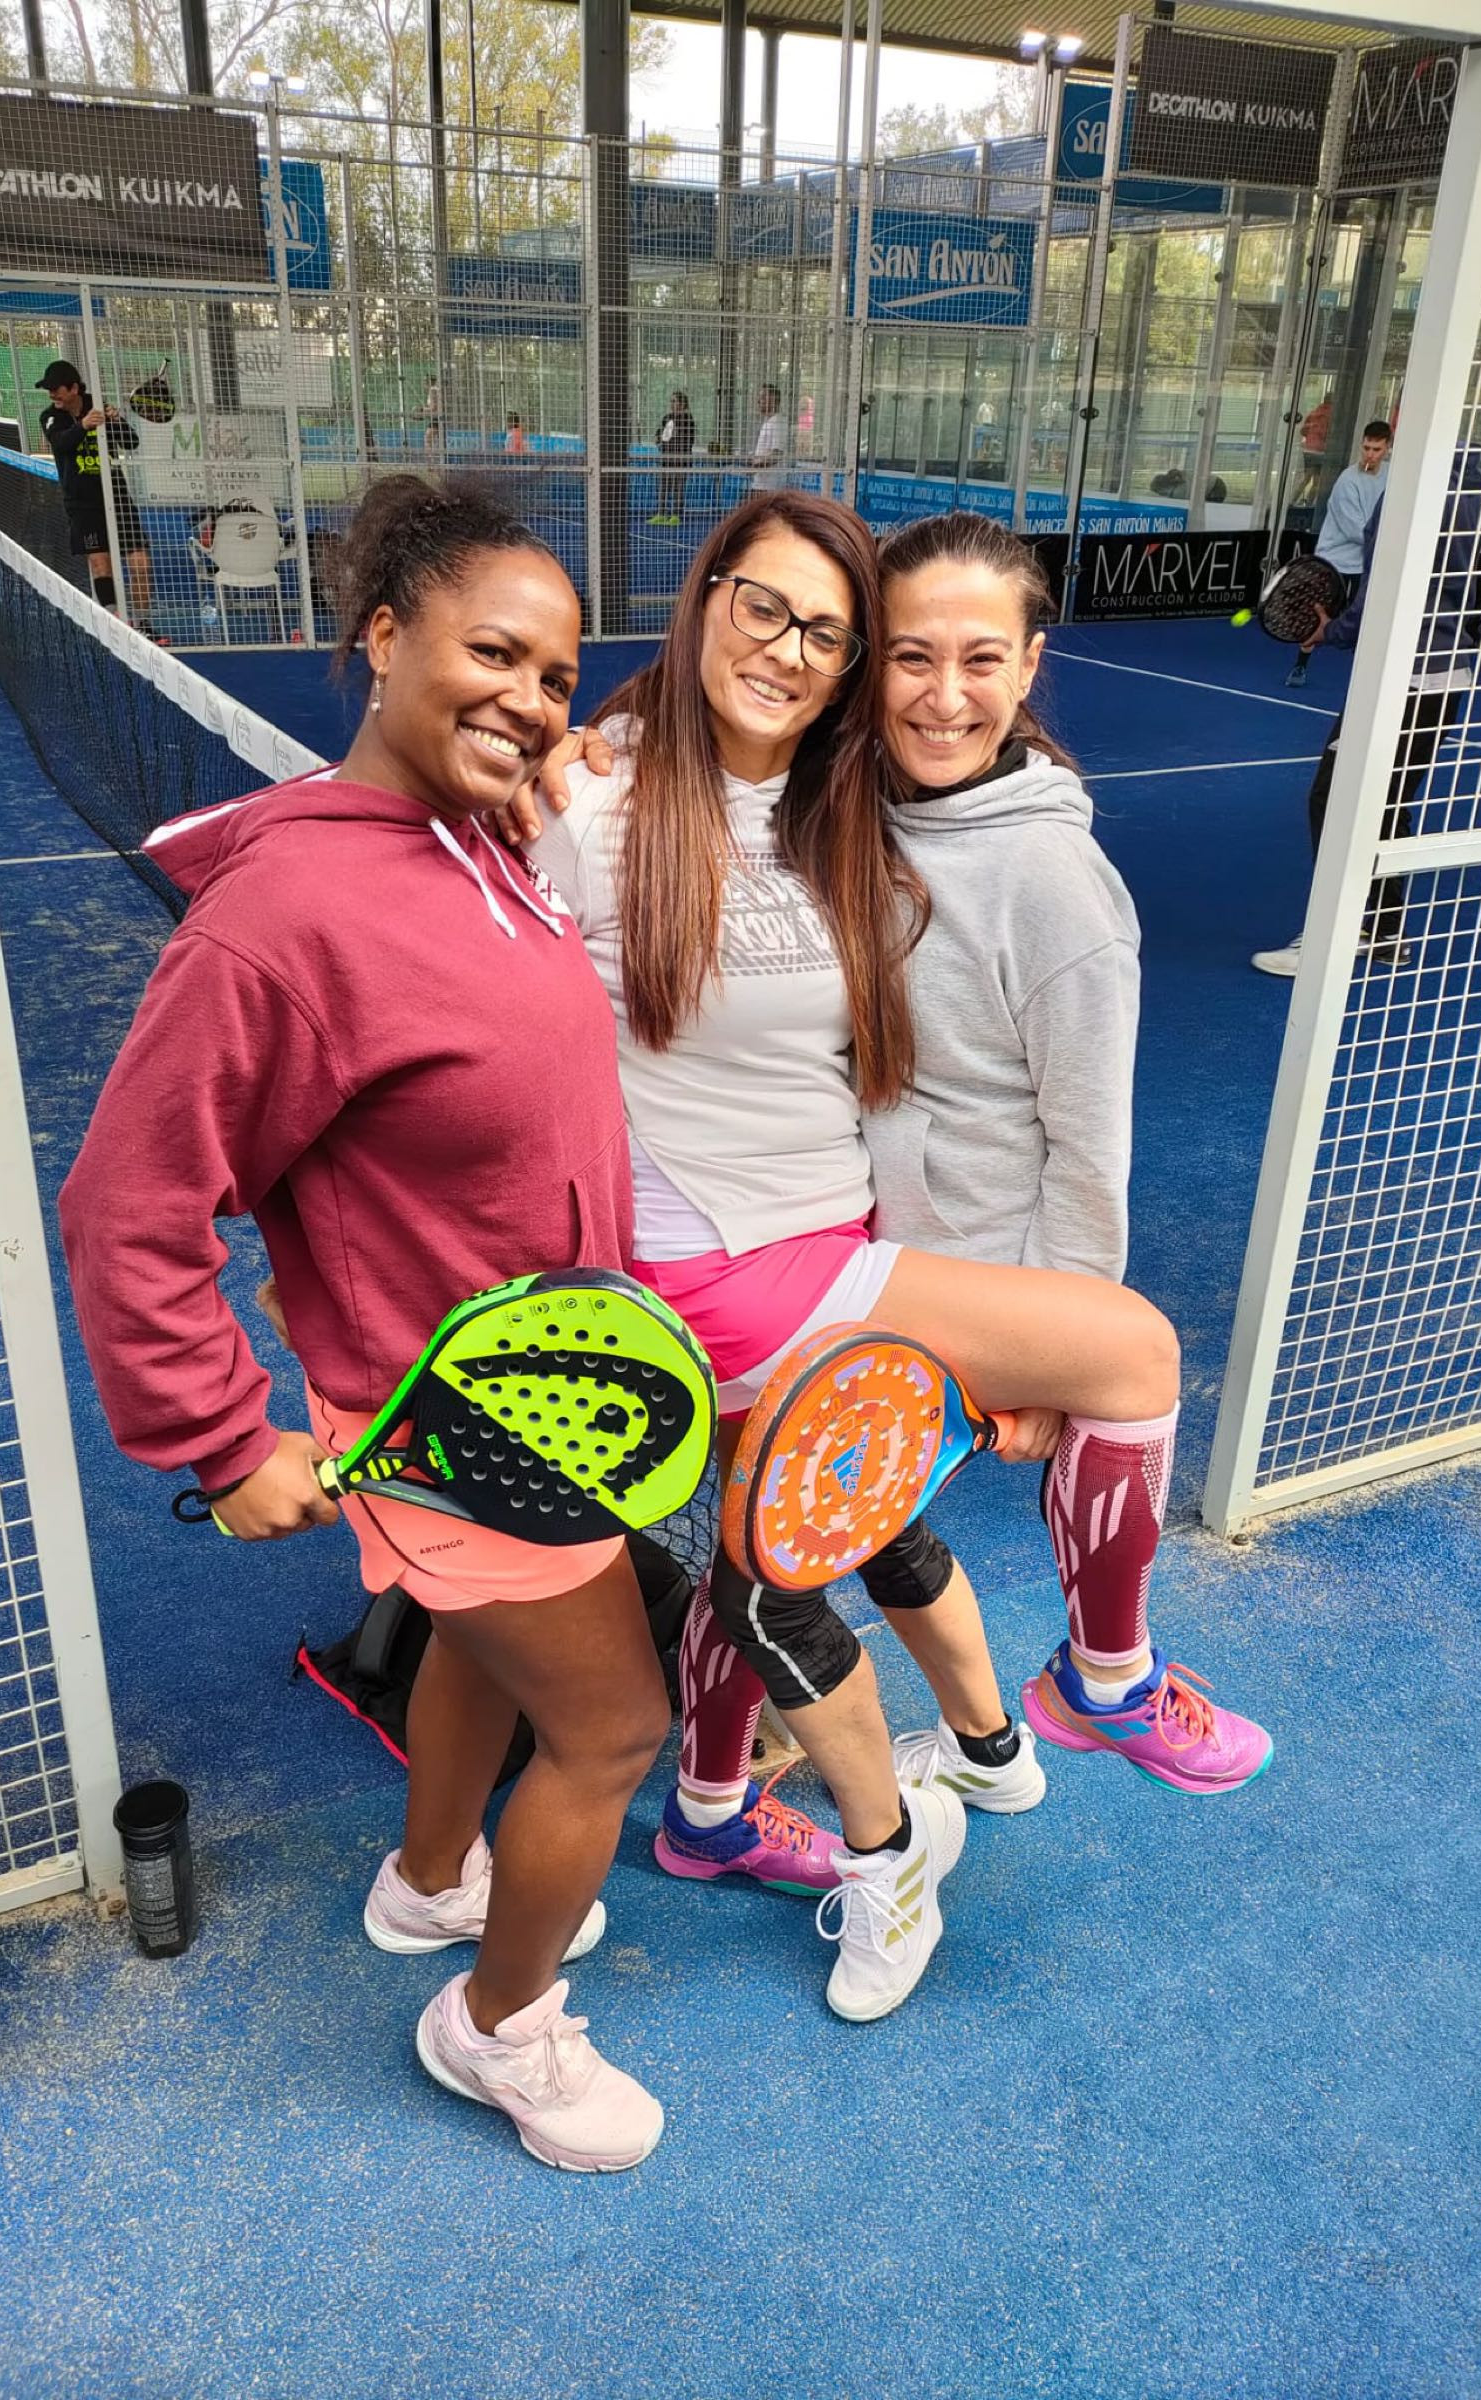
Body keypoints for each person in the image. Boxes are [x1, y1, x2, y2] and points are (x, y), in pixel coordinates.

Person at [522, 494, 1223, 2025]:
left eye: (829, 635)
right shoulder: (596, 801)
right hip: (721, 1268)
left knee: (767, 1554)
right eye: (763, 608)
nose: (791, 650)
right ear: (706, 597)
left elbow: (971, 820)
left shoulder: (835, 802)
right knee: (1132, 1352)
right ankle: (1062, 1709)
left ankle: (712, 1809)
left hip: (831, 1236)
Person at [60, 478, 672, 2175]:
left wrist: (539, 763)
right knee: (612, 1727)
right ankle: (497, 2029)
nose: (531, 699)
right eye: (495, 653)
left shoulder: (469, 841)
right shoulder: (287, 921)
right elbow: (126, 1206)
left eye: (555, 676)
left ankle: (429, 1883)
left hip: (536, 1387)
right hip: (458, 1421)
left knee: (479, 1650)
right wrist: (219, 1436)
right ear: (384, 636)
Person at [867, 509, 1270, 1789]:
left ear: (1031, 665)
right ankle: (720, 1792)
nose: (944, 696)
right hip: (840, 1242)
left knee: (1131, 1359)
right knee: (782, 1551)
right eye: (912, 655)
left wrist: (1059, 1347)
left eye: (982, 659)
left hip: (964, 1268)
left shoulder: (1053, 878)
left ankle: (1108, 1676)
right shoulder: (844, 802)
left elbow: (1090, 1147)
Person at [1253, 447, 1481, 980]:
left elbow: (1386, 587)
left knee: (1333, 797)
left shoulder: (1411, 493)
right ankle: (1383, 931)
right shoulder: (1473, 494)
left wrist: (1331, 630)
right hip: (1447, 674)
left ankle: (1339, 930)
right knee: (1388, 802)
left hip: (1398, 679)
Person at [34, 361, 155, 637]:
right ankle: (116, 627)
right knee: (101, 564)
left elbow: (131, 442)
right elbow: (60, 443)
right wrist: (84, 426)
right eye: (49, 390)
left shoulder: (98, 405)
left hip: (117, 497)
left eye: (57, 389)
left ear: (74, 388)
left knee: (140, 562)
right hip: (82, 503)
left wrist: (116, 420)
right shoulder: (50, 417)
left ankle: (144, 626)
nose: (52, 395)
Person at [1287, 420, 1392, 686]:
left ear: (1387, 449)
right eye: (1366, 448)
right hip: (1333, 560)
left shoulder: (1392, 476)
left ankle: (1365, 679)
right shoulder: (1347, 481)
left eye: (1377, 450)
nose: (1370, 455)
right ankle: (1300, 667)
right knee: (1317, 615)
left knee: (1367, 621)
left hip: (1365, 563)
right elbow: (1356, 531)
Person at [649, 390, 696, 526]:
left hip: (680, 459)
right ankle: (661, 514)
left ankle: (676, 515)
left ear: (682, 404)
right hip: (666, 458)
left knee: (678, 487)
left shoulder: (687, 419)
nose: (672, 404)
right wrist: (658, 438)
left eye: (674, 401)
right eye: (671, 401)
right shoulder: (667, 418)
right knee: (663, 486)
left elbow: (686, 439)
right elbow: (661, 435)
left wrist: (672, 438)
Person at [1294, 389, 1334, 505]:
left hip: (1308, 449)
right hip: (1321, 451)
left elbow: (1303, 431)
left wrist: (1311, 437)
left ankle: (1292, 501)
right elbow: (1326, 434)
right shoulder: (1332, 415)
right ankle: (1309, 504)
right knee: (1317, 482)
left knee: (1305, 479)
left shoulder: (1314, 412)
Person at [749, 385, 787, 490]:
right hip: (761, 483)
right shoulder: (769, 422)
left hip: (769, 486)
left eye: (762, 397)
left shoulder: (778, 422)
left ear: (772, 400)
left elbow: (776, 455)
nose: (758, 401)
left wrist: (754, 467)